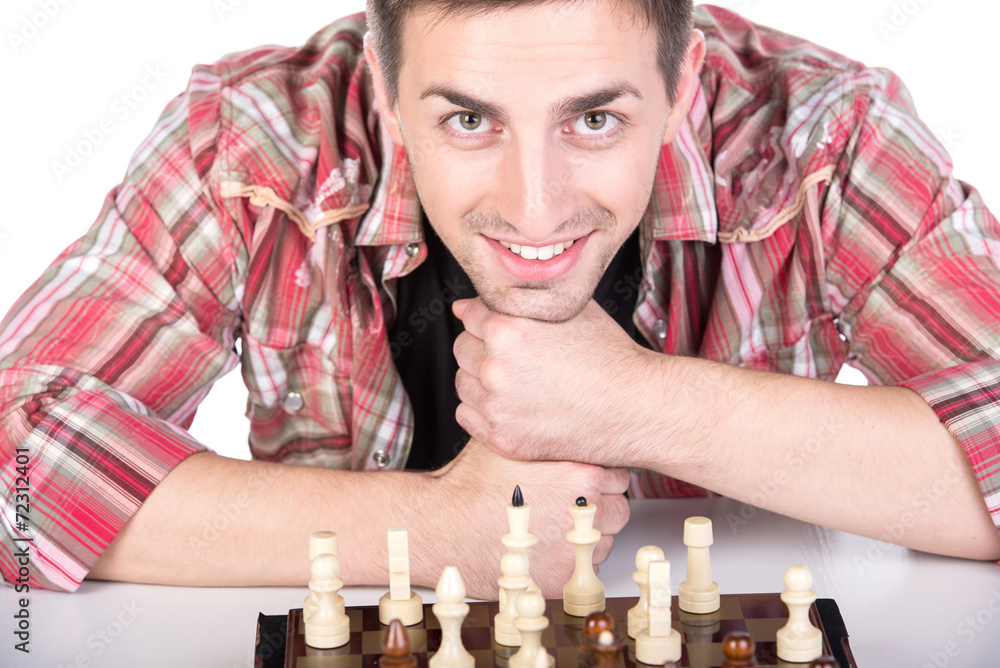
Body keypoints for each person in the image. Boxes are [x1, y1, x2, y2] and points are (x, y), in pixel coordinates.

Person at [1, 0, 998, 599]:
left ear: (683, 78)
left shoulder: (827, 137)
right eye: (469, 119)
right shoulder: (249, 143)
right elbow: (14, 453)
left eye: (594, 119)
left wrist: (641, 401)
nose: (534, 208)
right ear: (384, 87)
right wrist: (436, 531)